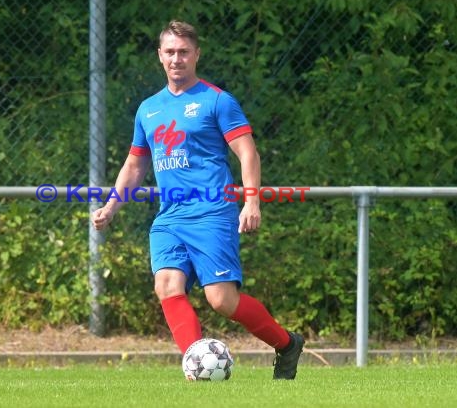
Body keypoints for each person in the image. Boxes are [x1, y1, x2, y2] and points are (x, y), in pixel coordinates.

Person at [91, 20, 304, 380]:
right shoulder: (149, 109)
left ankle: (286, 344)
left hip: (212, 213)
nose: (177, 59)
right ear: (160, 56)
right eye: (170, 52)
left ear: (196, 55)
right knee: (167, 285)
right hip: (170, 217)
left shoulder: (217, 101)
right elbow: (135, 163)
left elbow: (248, 154)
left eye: (184, 52)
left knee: (221, 301)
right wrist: (112, 205)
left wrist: (251, 202)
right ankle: (198, 369)